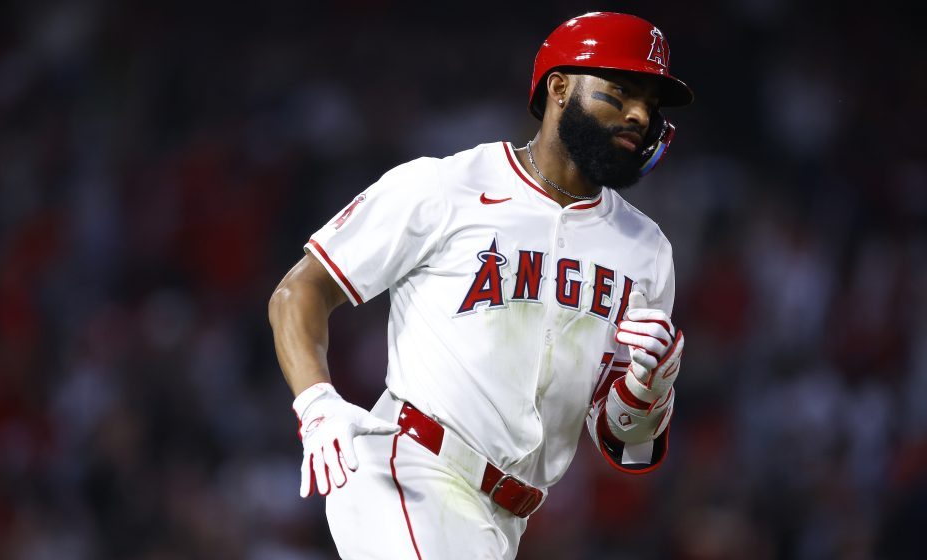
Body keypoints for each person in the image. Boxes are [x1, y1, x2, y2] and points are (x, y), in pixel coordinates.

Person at [269, 11, 691, 560]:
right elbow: (299, 292)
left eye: (650, 101)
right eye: (620, 91)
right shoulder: (447, 186)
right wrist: (317, 402)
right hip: (410, 471)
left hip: (504, 519)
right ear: (560, 88)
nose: (639, 112)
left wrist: (648, 389)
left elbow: (626, 445)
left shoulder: (647, 250)